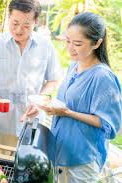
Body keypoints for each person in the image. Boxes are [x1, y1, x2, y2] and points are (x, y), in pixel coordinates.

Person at [37, 12, 122, 182]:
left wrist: (67, 112)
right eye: (68, 41)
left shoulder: (103, 77)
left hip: (82, 159)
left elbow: (108, 125)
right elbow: (69, 101)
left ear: (97, 43)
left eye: (77, 43)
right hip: (62, 151)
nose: (70, 48)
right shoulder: (74, 66)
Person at [0, 0, 61, 152]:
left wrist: (40, 100)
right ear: (9, 17)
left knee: (30, 165)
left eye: (26, 25)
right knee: (5, 164)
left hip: (33, 120)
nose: (19, 30)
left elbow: (53, 80)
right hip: (3, 121)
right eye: (15, 23)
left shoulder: (46, 46)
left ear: (36, 22)